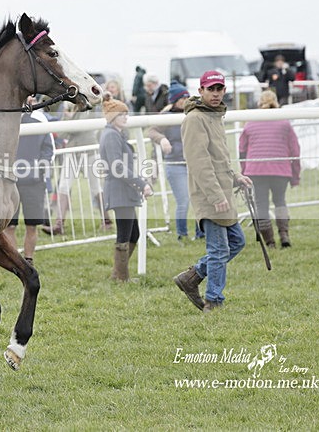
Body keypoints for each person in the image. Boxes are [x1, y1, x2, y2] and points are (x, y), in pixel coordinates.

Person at [173, 70, 252, 312]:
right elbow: (199, 162)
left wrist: (235, 176)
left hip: (222, 191)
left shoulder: (214, 116)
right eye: (211, 89)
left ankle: (192, 276)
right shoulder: (195, 119)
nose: (216, 94)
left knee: (236, 242)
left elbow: (218, 158)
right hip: (210, 195)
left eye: (219, 89)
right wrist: (215, 195)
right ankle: (214, 301)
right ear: (201, 91)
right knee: (219, 251)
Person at [98, 96, 153, 282]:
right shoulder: (111, 135)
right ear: (112, 116)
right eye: (122, 114)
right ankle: (121, 277)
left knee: (133, 233)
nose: (126, 117)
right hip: (119, 191)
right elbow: (117, 166)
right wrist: (141, 183)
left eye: (126, 113)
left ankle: (117, 273)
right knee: (125, 234)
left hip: (124, 191)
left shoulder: (115, 133)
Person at [238, 90, 301, 248]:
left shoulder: (250, 123)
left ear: (259, 103)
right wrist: (295, 176)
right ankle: (284, 234)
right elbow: (295, 151)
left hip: (256, 170)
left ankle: (269, 241)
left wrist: (244, 172)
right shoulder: (284, 123)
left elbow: (242, 150)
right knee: (280, 201)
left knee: (261, 205)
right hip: (280, 170)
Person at [42, 100, 110, 235]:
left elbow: (79, 128)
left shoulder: (87, 108)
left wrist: (68, 119)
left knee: (95, 187)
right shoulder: (67, 111)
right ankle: (59, 224)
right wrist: (67, 120)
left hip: (89, 151)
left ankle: (106, 220)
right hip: (72, 151)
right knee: (63, 187)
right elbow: (61, 134)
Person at [147, 81, 203, 243]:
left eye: (187, 96)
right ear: (175, 100)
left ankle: (201, 233)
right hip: (175, 164)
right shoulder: (166, 117)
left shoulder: (193, 114)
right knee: (183, 200)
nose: (185, 99)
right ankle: (182, 235)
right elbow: (151, 131)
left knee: (198, 199)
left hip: (194, 163)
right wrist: (162, 139)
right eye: (182, 97)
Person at [4, 101, 55, 265]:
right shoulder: (5, 122)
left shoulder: (39, 122)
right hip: (10, 184)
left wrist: (40, 170)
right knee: (9, 226)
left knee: (32, 225)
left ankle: (28, 260)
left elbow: (49, 150)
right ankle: (14, 261)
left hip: (34, 183)